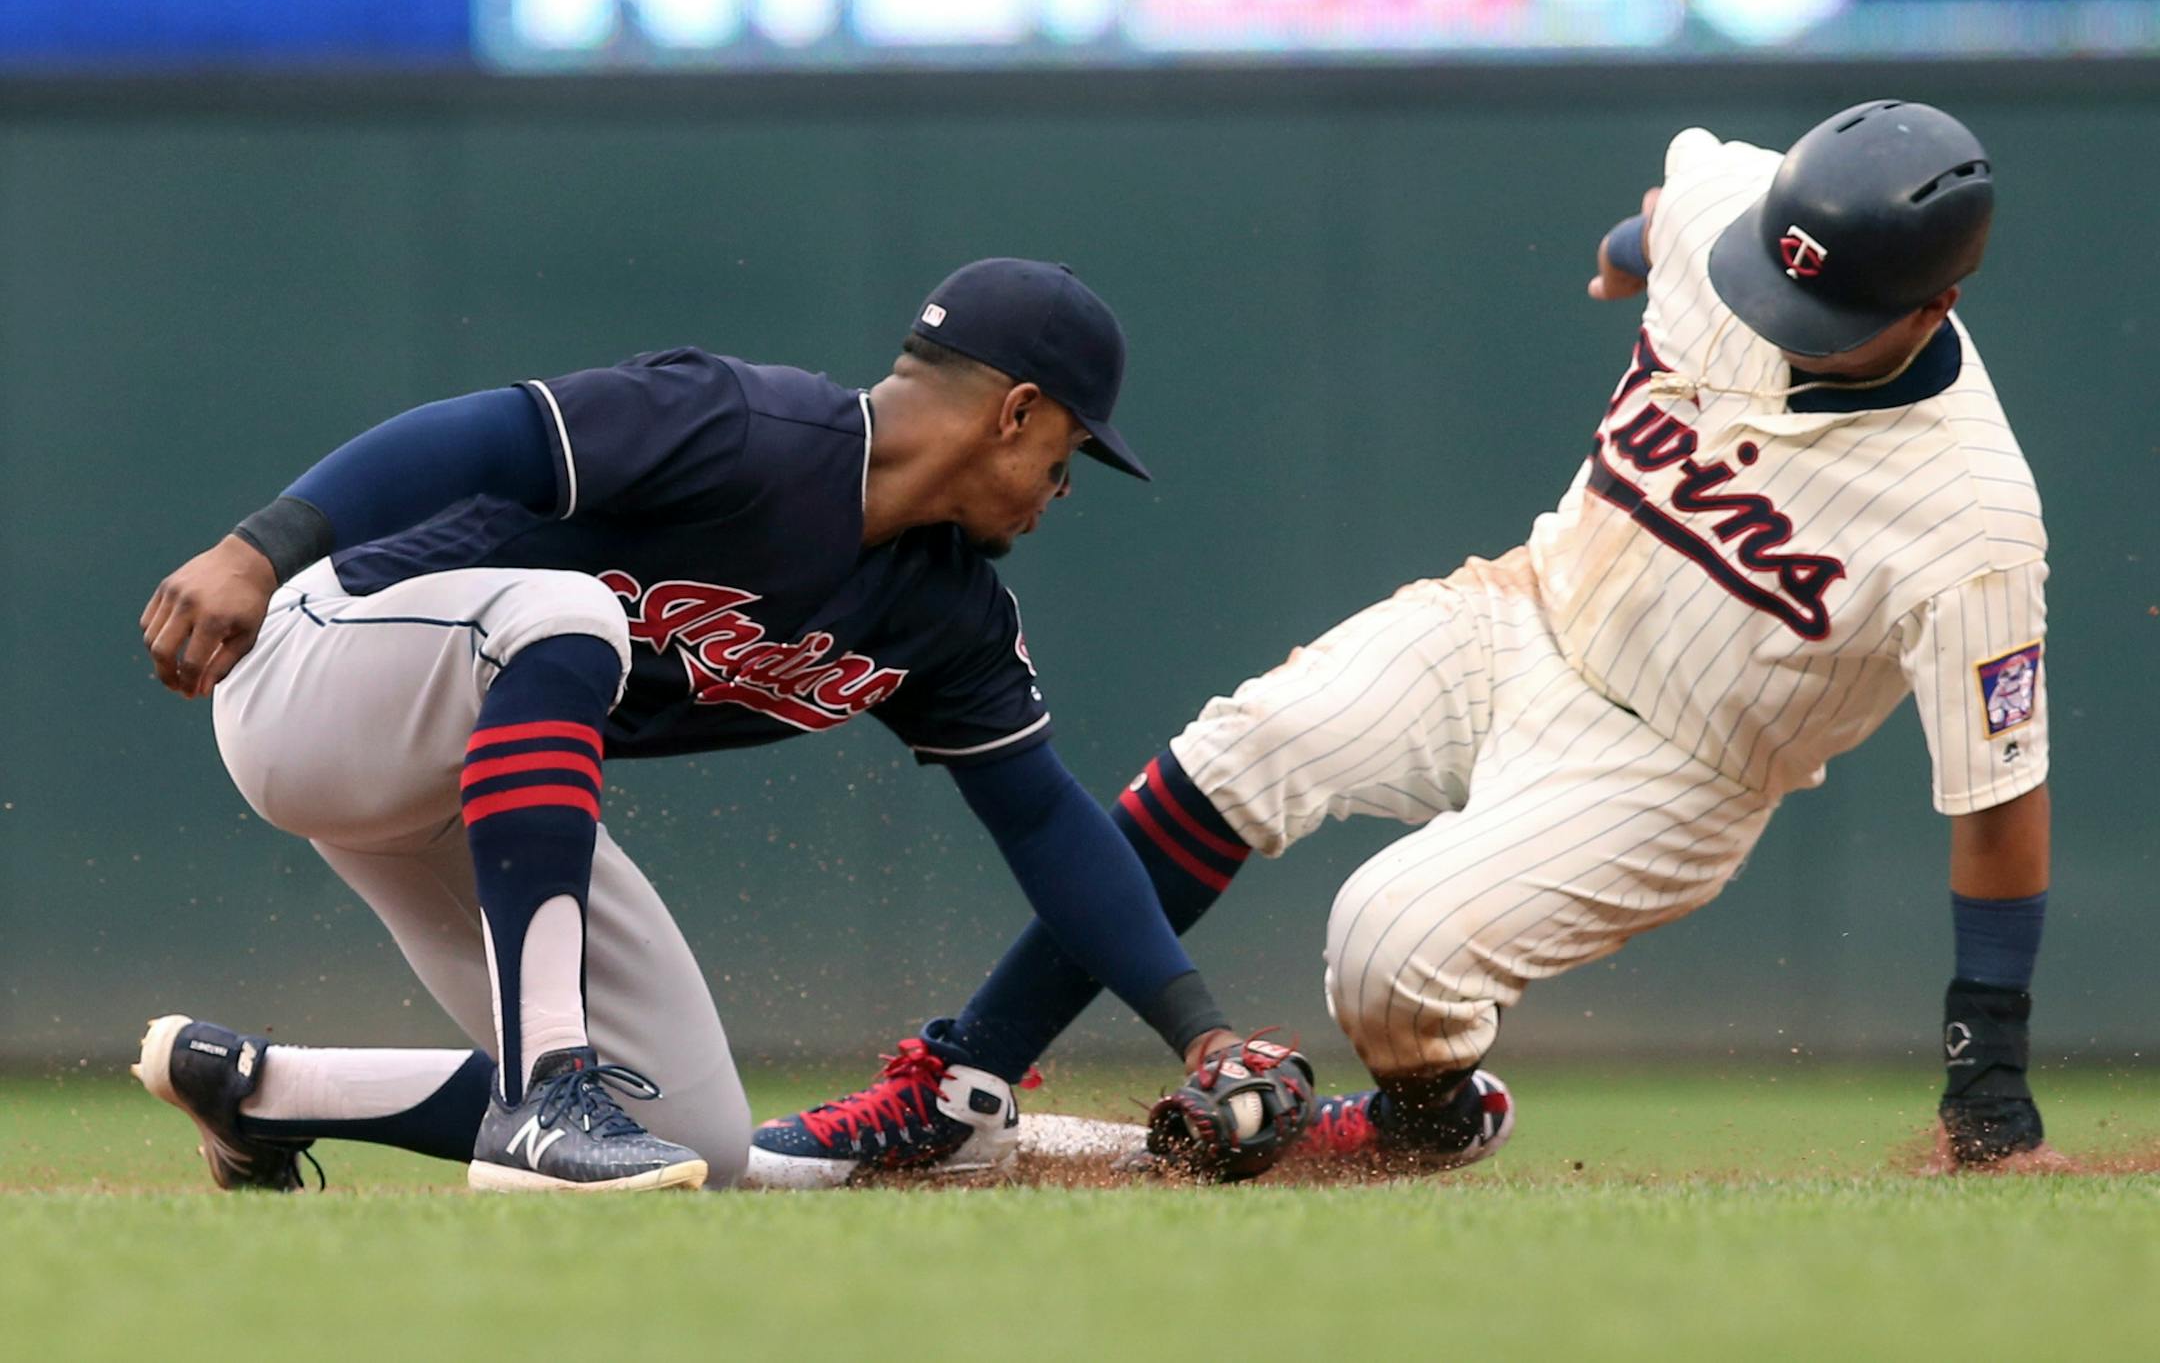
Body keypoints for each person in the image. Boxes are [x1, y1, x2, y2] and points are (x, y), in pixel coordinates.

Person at [750, 101, 2058, 1183]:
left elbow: (2001, 808)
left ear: (1940, 301)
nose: (1776, 316)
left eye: (1818, 312)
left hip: (1672, 769)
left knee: (1384, 946)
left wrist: (1988, 1071)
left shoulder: (1973, 521)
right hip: (1522, 611)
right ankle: (959, 1089)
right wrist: (1625, 251)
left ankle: (1426, 1118)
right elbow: (1665, 225)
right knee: (1241, 746)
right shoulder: (1740, 213)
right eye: (1773, 278)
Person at [131, 258, 1275, 1192]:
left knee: (698, 1144)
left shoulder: (949, 613)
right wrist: (260, 546)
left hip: (451, 784)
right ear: (1016, 411)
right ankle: (545, 1092)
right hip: (323, 664)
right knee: (572, 615)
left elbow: (1045, 821)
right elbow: (486, 435)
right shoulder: (743, 424)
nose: (1057, 491)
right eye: (1066, 454)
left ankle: (262, 1092)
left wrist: (1202, 1033)